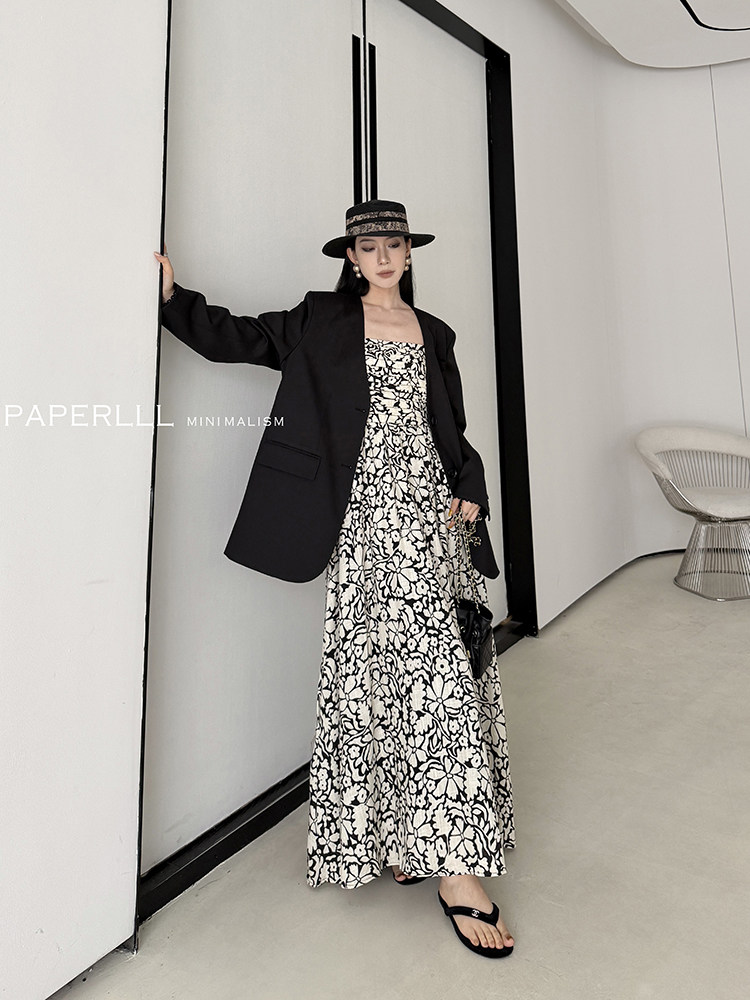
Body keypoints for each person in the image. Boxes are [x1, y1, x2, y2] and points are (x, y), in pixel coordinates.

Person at [153, 199, 516, 958]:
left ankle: (454, 866)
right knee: (372, 674)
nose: (383, 256)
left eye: (394, 245)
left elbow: (451, 429)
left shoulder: (435, 332)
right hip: (360, 521)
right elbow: (239, 339)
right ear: (350, 258)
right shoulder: (322, 320)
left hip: (431, 517)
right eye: (368, 246)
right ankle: (402, 835)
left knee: (440, 676)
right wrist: (172, 299)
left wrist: (471, 483)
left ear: (408, 255)